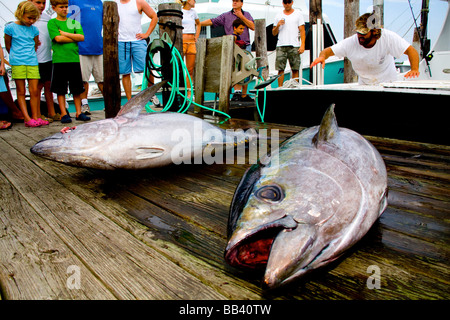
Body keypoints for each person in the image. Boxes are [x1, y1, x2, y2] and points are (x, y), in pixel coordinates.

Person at [310, 12, 420, 85]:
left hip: (388, 84)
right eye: (358, 32)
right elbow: (328, 51)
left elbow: (411, 51)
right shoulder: (351, 42)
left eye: (364, 33)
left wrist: (414, 69)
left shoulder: (388, 37)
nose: (359, 36)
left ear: (374, 32)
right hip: (364, 85)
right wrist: (322, 57)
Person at [4, 1, 49, 127]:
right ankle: (27, 118)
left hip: (32, 62)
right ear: (21, 13)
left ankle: (36, 116)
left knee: (34, 90)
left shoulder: (34, 30)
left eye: (34, 19)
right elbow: (8, 46)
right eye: (29, 18)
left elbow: (35, 45)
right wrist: (16, 56)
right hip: (17, 62)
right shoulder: (10, 27)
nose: (31, 21)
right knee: (21, 90)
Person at [200, 0, 255, 102]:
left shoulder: (247, 14)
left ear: (241, 3)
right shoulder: (226, 15)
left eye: (237, 1)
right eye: (233, 1)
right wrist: (198, 23)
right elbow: (213, 21)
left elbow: (252, 26)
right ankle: (237, 93)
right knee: (236, 68)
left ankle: (244, 95)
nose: (234, 2)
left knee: (247, 69)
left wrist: (241, 16)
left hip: (245, 46)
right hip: (232, 45)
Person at [48, 0, 90, 123]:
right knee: (61, 89)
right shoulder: (52, 22)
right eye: (61, 7)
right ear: (54, 8)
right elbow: (58, 38)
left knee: (76, 88)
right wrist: (73, 37)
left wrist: (66, 34)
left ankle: (78, 112)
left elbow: (81, 37)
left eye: (66, 6)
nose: (65, 9)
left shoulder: (74, 22)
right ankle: (63, 113)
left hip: (74, 59)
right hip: (59, 60)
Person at [68, 0, 104, 115]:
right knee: (83, 80)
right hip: (82, 48)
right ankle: (85, 104)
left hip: (99, 47)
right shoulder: (73, 1)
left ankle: (109, 103)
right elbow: (69, 24)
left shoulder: (99, 2)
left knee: (102, 79)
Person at [117, 0, 157, 101]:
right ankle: (129, 100)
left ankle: (152, 94)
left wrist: (146, 34)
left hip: (138, 41)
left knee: (147, 68)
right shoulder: (115, 3)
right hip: (121, 42)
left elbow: (154, 16)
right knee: (125, 72)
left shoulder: (139, 2)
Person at [30, 0, 59, 123]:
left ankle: (51, 112)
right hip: (35, 59)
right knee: (37, 87)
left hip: (47, 57)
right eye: (38, 2)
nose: (41, 6)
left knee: (48, 85)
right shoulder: (29, 19)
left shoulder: (47, 18)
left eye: (43, 3)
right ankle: (37, 114)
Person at [272, 0, 305, 87]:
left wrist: (302, 45)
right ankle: (280, 88)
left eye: (289, 2)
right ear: (282, 3)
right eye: (285, 2)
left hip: (294, 45)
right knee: (280, 70)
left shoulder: (298, 14)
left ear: (292, 2)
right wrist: (278, 25)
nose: (287, 4)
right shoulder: (278, 15)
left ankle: (295, 87)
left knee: (295, 69)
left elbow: (302, 31)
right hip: (281, 45)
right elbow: (274, 33)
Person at [180, 0, 200, 99]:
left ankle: (189, 93)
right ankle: (179, 93)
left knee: (190, 70)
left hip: (192, 42)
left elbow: (198, 24)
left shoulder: (194, 12)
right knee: (178, 67)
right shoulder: (180, 11)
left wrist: (196, 35)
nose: (195, 1)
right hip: (181, 41)